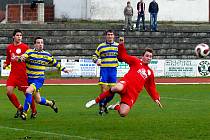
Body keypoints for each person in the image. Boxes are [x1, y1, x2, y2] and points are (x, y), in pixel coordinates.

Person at [86, 43, 163, 117]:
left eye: (150, 56)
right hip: (126, 84)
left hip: (132, 94)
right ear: (143, 56)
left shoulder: (150, 72)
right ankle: (95, 101)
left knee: (123, 113)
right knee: (116, 87)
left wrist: (156, 98)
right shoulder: (135, 61)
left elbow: (151, 87)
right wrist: (121, 45)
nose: (148, 58)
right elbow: (123, 56)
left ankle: (116, 106)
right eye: (147, 56)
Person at [15, 37, 70, 120]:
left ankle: (24, 112)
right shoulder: (30, 52)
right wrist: (20, 58)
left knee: (28, 91)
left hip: (39, 79)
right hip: (30, 80)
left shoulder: (46, 55)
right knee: (38, 100)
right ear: (34, 44)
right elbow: (23, 57)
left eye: (42, 43)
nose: (40, 44)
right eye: (38, 42)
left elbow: (55, 63)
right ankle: (51, 103)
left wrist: (63, 69)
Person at [3, 29, 37, 119]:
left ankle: (34, 111)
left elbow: (29, 59)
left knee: (27, 94)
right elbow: (8, 59)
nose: (19, 37)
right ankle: (20, 108)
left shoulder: (25, 47)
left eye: (20, 35)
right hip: (13, 75)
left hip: (23, 75)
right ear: (13, 37)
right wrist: (5, 64)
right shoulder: (9, 47)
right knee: (9, 92)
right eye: (17, 35)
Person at [92, 30, 119, 115]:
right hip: (104, 70)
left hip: (113, 70)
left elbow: (122, 56)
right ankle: (101, 107)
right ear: (106, 36)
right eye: (108, 35)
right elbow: (94, 56)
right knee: (104, 90)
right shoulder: (101, 46)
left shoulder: (118, 46)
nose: (110, 36)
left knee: (113, 91)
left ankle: (105, 104)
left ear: (114, 36)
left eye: (111, 34)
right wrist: (96, 61)